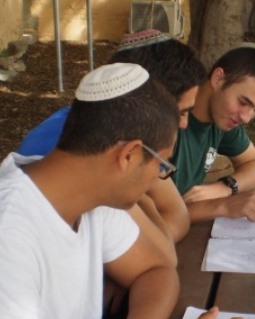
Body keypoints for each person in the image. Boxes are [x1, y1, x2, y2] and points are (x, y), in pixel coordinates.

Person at [0, 63, 244, 319]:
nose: (158, 179)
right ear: (129, 155)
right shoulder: (10, 234)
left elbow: (157, 269)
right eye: (161, 165)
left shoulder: (87, 197)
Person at [17, 29, 207, 249]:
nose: (184, 124)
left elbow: (177, 215)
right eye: (181, 112)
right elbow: (161, 238)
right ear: (152, 102)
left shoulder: (127, 136)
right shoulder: (77, 150)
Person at [171, 43, 255, 223]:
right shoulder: (171, 121)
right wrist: (224, 206)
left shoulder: (221, 119)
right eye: (243, 102)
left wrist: (225, 188)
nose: (246, 118)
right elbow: (153, 214)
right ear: (218, 78)